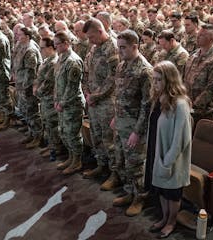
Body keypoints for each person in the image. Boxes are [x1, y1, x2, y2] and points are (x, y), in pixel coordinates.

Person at [147, 60, 192, 239]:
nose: (155, 83)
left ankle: (171, 222)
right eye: (154, 79)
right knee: (160, 189)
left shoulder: (180, 104)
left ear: (169, 80)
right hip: (157, 150)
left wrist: (168, 161)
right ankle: (164, 217)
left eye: (158, 80)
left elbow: (182, 138)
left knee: (172, 192)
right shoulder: (159, 99)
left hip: (172, 157)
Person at [111, 30, 152, 217]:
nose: (120, 51)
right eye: (118, 47)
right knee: (121, 160)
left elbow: (147, 105)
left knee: (135, 165)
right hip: (121, 122)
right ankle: (129, 192)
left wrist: (138, 131)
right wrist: (115, 116)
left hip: (135, 127)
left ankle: (140, 198)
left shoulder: (145, 71)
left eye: (123, 48)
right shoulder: (122, 66)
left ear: (135, 46)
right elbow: (119, 95)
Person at [81, 18, 120, 188]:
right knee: (96, 136)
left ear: (100, 30)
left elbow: (113, 79)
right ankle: (101, 165)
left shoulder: (113, 48)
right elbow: (87, 72)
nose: (89, 41)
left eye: (91, 37)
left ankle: (115, 174)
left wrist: (95, 96)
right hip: (93, 101)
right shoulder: (95, 47)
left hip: (106, 103)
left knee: (108, 140)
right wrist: (87, 93)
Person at [53, 31, 84, 175]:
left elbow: (72, 88)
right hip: (62, 103)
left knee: (73, 134)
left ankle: (77, 161)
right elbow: (57, 83)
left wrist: (62, 103)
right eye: (54, 45)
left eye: (57, 44)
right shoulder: (60, 59)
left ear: (66, 43)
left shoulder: (73, 61)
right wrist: (56, 100)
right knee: (64, 132)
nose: (55, 47)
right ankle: (71, 157)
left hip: (72, 104)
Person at [183, 24, 213, 123]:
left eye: (202, 35)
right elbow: (185, 78)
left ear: (211, 39)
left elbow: (212, 89)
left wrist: (193, 105)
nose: (197, 36)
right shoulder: (194, 55)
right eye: (198, 34)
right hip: (187, 107)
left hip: (204, 113)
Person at [34, 37, 63, 161]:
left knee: (53, 124)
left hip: (50, 99)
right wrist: (36, 88)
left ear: (51, 48)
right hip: (45, 99)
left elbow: (48, 83)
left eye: (42, 48)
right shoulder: (46, 61)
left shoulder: (53, 62)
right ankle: (51, 145)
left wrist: (37, 92)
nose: (40, 50)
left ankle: (57, 148)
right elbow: (39, 78)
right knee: (47, 123)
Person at [14, 27, 43, 148]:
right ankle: (31, 133)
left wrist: (26, 88)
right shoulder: (22, 46)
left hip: (28, 87)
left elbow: (31, 73)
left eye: (20, 35)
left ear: (27, 36)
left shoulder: (30, 50)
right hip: (21, 84)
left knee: (32, 112)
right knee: (26, 111)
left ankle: (38, 136)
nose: (17, 36)